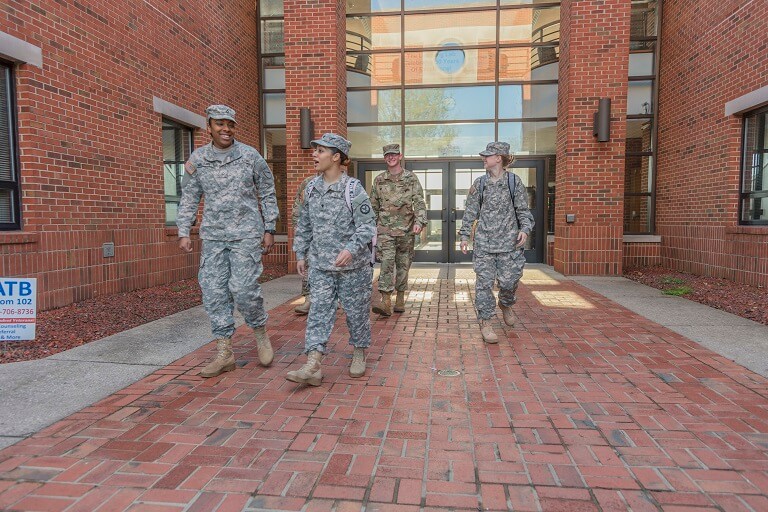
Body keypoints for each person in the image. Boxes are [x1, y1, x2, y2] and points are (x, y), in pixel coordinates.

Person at [177, 104, 278, 377]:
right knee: (213, 291)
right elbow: (189, 197)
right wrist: (184, 230)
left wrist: (270, 228)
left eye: (230, 124)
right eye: (220, 124)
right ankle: (225, 351)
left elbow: (267, 192)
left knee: (243, 288)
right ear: (209, 127)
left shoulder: (250, 156)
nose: (226, 129)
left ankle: (259, 332)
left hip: (246, 233)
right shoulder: (198, 160)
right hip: (213, 235)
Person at [286, 133, 376, 386]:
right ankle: (313, 363)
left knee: (356, 313)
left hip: (353, 268)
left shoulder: (353, 189)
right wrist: (300, 252)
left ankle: (359, 352)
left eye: (321, 151)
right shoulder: (311, 188)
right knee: (319, 312)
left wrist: (350, 249)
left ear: (336, 157)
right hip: (321, 266)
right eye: (315, 150)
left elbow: (367, 226)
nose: (314, 155)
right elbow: (303, 224)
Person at [459, 142, 534, 343]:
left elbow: (523, 211)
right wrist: (465, 236)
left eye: (487, 156)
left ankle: (506, 303)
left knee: (509, 283)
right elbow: (470, 212)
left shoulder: (514, 182)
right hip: (484, 245)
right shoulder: (480, 183)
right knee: (484, 284)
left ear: (499, 158)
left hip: (509, 245)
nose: (484, 158)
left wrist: (525, 230)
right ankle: (486, 322)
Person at [369, 144, 427, 316]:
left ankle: (400, 298)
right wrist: (370, 227)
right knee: (386, 264)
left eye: (394, 155)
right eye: (388, 155)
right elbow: (373, 205)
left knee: (403, 265)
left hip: (406, 231)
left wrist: (420, 221)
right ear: (384, 158)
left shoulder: (411, 178)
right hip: (385, 231)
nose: (391, 158)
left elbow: (419, 202)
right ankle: (385, 301)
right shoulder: (379, 180)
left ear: (400, 156)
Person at [291, 173, 317, 315]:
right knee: (307, 263)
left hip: (332, 235)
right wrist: (297, 227)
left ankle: (332, 297)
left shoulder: (343, 182)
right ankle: (308, 298)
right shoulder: (308, 182)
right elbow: (298, 206)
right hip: (309, 231)